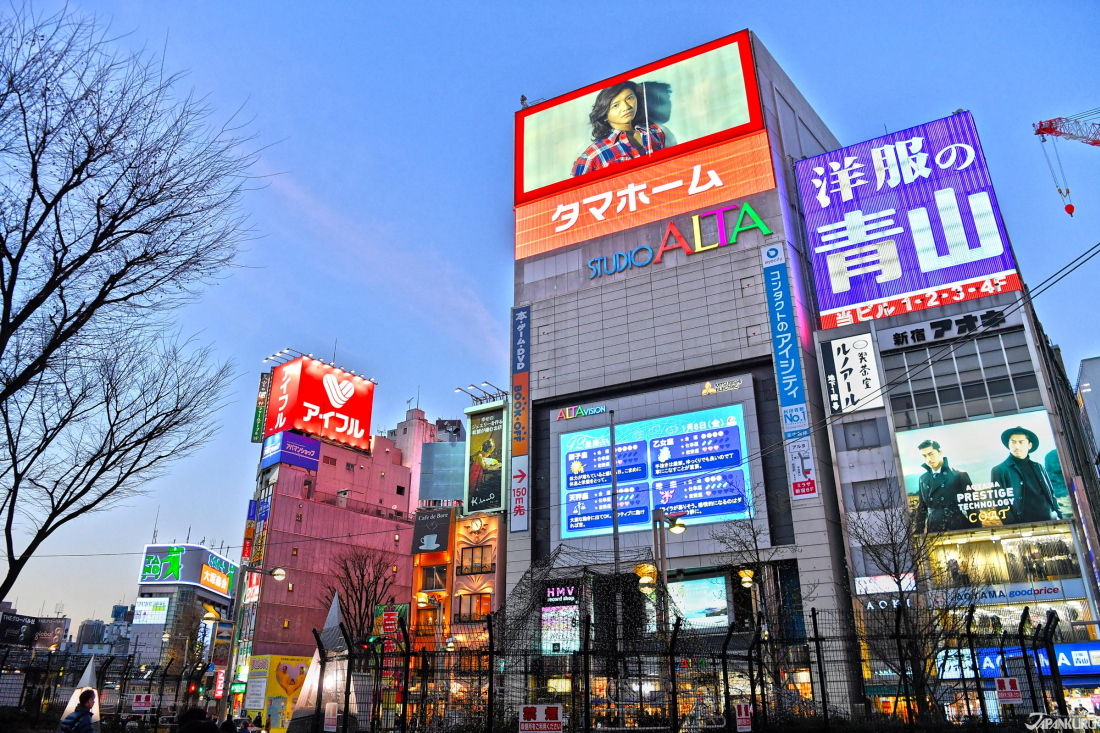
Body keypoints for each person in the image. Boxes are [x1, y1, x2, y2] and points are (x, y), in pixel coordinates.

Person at [571, 80, 666, 178]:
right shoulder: (592, 156)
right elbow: (575, 191)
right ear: (605, 115)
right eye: (616, 105)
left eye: (629, 98)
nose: (626, 107)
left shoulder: (653, 131)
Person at [991, 426, 1062, 524]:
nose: (1016, 446)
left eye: (1021, 442)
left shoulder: (1038, 467)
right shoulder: (999, 470)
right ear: (1008, 444)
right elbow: (1000, 504)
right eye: (1013, 442)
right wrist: (1014, 526)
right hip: (1023, 525)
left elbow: (1051, 495)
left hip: (1050, 520)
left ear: (1029, 445)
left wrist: (1060, 517)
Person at [912, 439, 974, 533]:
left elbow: (972, 505)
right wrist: (918, 532)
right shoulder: (923, 479)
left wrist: (976, 528)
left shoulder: (959, 475)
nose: (928, 459)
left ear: (940, 452)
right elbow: (922, 507)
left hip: (957, 526)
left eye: (931, 454)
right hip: (934, 528)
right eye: (924, 456)